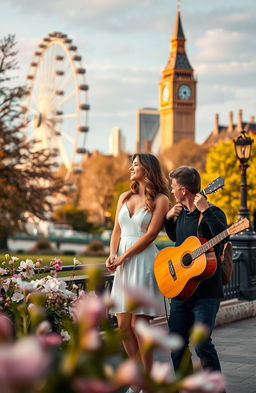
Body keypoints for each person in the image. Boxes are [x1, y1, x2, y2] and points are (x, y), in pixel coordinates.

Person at [106, 153, 169, 392]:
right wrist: (112, 254)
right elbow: (116, 232)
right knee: (123, 325)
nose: (131, 169)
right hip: (122, 264)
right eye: (131, 165)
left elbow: (151, 235)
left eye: (135, 165)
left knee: (139, 325)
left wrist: (123, 256)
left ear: (147, 169)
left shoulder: (161, 199)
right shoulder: (124, 196)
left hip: (142, 262)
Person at [165, 166, 228, 378]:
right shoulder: (182, 214)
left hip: (206, 292)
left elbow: (224, 236)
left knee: (202, 345)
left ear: (183, 190)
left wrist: (206, 210)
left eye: (173, 187)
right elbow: (177, 240)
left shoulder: (213, 211)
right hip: (182, 291)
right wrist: (168, 218)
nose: (171, 190)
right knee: (176, 345)